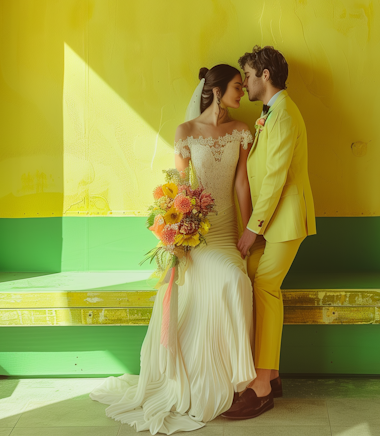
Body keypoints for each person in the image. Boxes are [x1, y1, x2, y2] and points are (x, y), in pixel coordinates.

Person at [90, 64, 257, 434]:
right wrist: (180, 235)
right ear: (214, 90)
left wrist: (250, 230)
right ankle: (232, 379)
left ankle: (236, 380)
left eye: (243, 87)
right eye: (235, 87)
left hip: (229, 234)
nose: (241, 93)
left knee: (237, 279)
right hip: (199, 237)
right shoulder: (186, 133)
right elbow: (180, 190)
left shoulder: (241, 131)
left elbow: (243, 184)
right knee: (233, 280)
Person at [221, 45, 316, 420]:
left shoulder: (284, 116)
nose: (244, 83)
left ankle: (260, 388)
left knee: (265, 288)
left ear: (264, 74)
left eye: (247, 75)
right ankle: (271, 376)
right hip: (272, 220)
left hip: (285, 220)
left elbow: (275, 179)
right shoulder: (271, 114)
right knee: (256, 284)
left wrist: (251, 229)